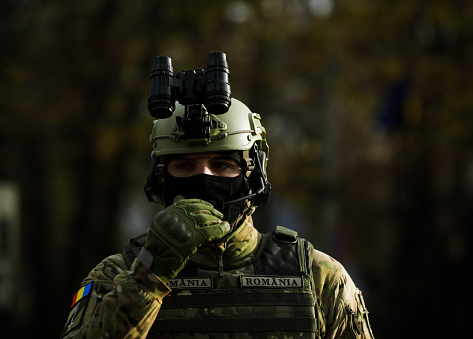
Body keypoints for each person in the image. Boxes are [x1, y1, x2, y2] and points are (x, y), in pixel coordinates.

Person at [60, 97, 375, 339]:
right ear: (162, 179)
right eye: (184, 167)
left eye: (222, 165)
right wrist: (149, 276)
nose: (204, 178)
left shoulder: (319, 276)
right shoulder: (117, 274)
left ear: (252, 176)